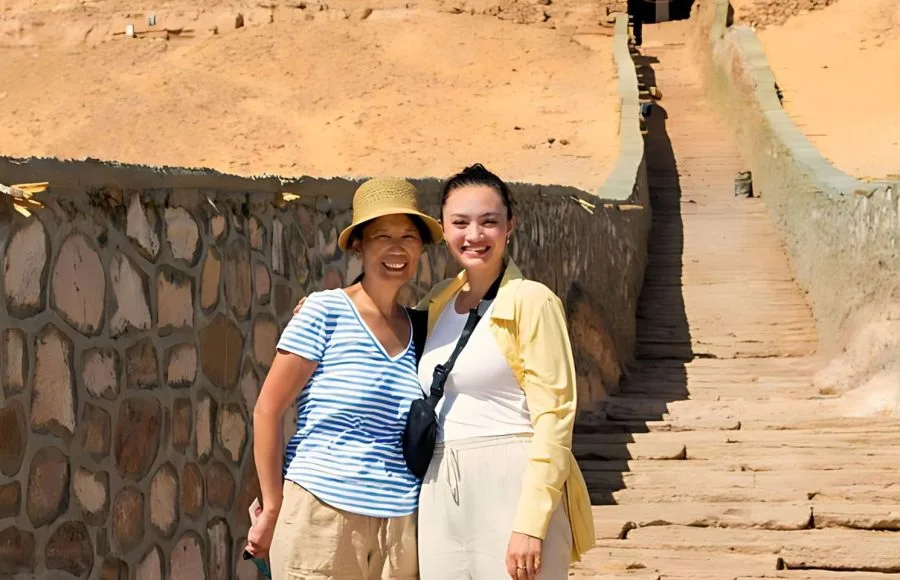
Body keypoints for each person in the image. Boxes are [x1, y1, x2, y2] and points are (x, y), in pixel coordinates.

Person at [245, 177, 443, 579]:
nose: (396, 248)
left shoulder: (425, 329)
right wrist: (273, 505)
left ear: (420, 247)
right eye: (381, 236)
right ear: (359, 245)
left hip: (400, 527)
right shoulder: (324, 312)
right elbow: (267, 410)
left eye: (408, 236)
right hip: (322, 517)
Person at [414, 164, 594, 579]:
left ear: (509, 227)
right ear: (443, 227)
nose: (473, 235)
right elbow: (384, 331)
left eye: (488, 222)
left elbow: (555, 416)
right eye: (460, 222)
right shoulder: (436, 301)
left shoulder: (532, 300)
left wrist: (531, 524)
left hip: (510, 481)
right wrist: (330, 307)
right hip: (439, 487)